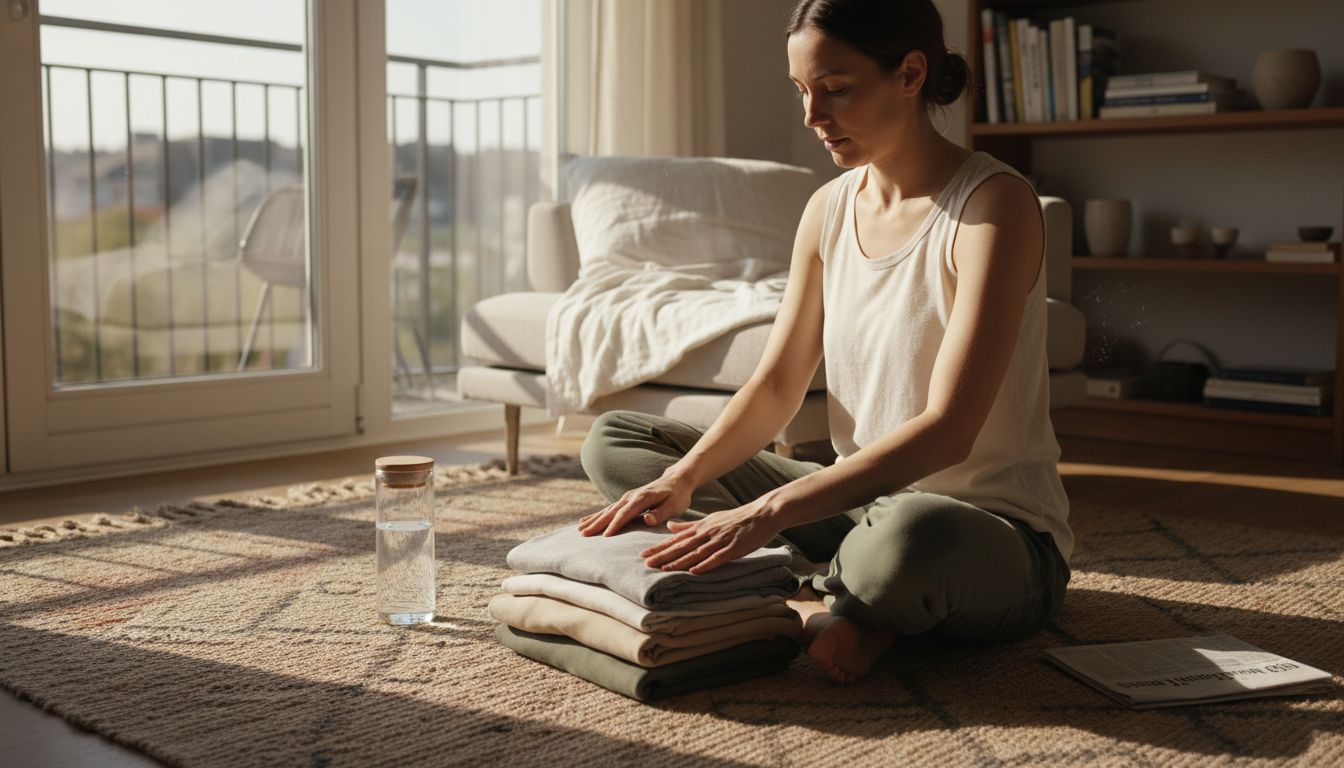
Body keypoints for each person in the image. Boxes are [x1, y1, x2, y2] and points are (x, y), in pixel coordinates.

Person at [576, 0, 1071, 685]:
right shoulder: (829, 208)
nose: (813, 116)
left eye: (835, 89)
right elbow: (778, 385)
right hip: (857, 505)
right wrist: (684, 479)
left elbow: (949, 432)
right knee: (622, 441)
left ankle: (817, 592)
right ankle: (842, 601)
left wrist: (762, 512)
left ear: (910, 74)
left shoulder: (993, 205)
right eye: (803, 92)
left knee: (908, 539)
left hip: (980, 530)